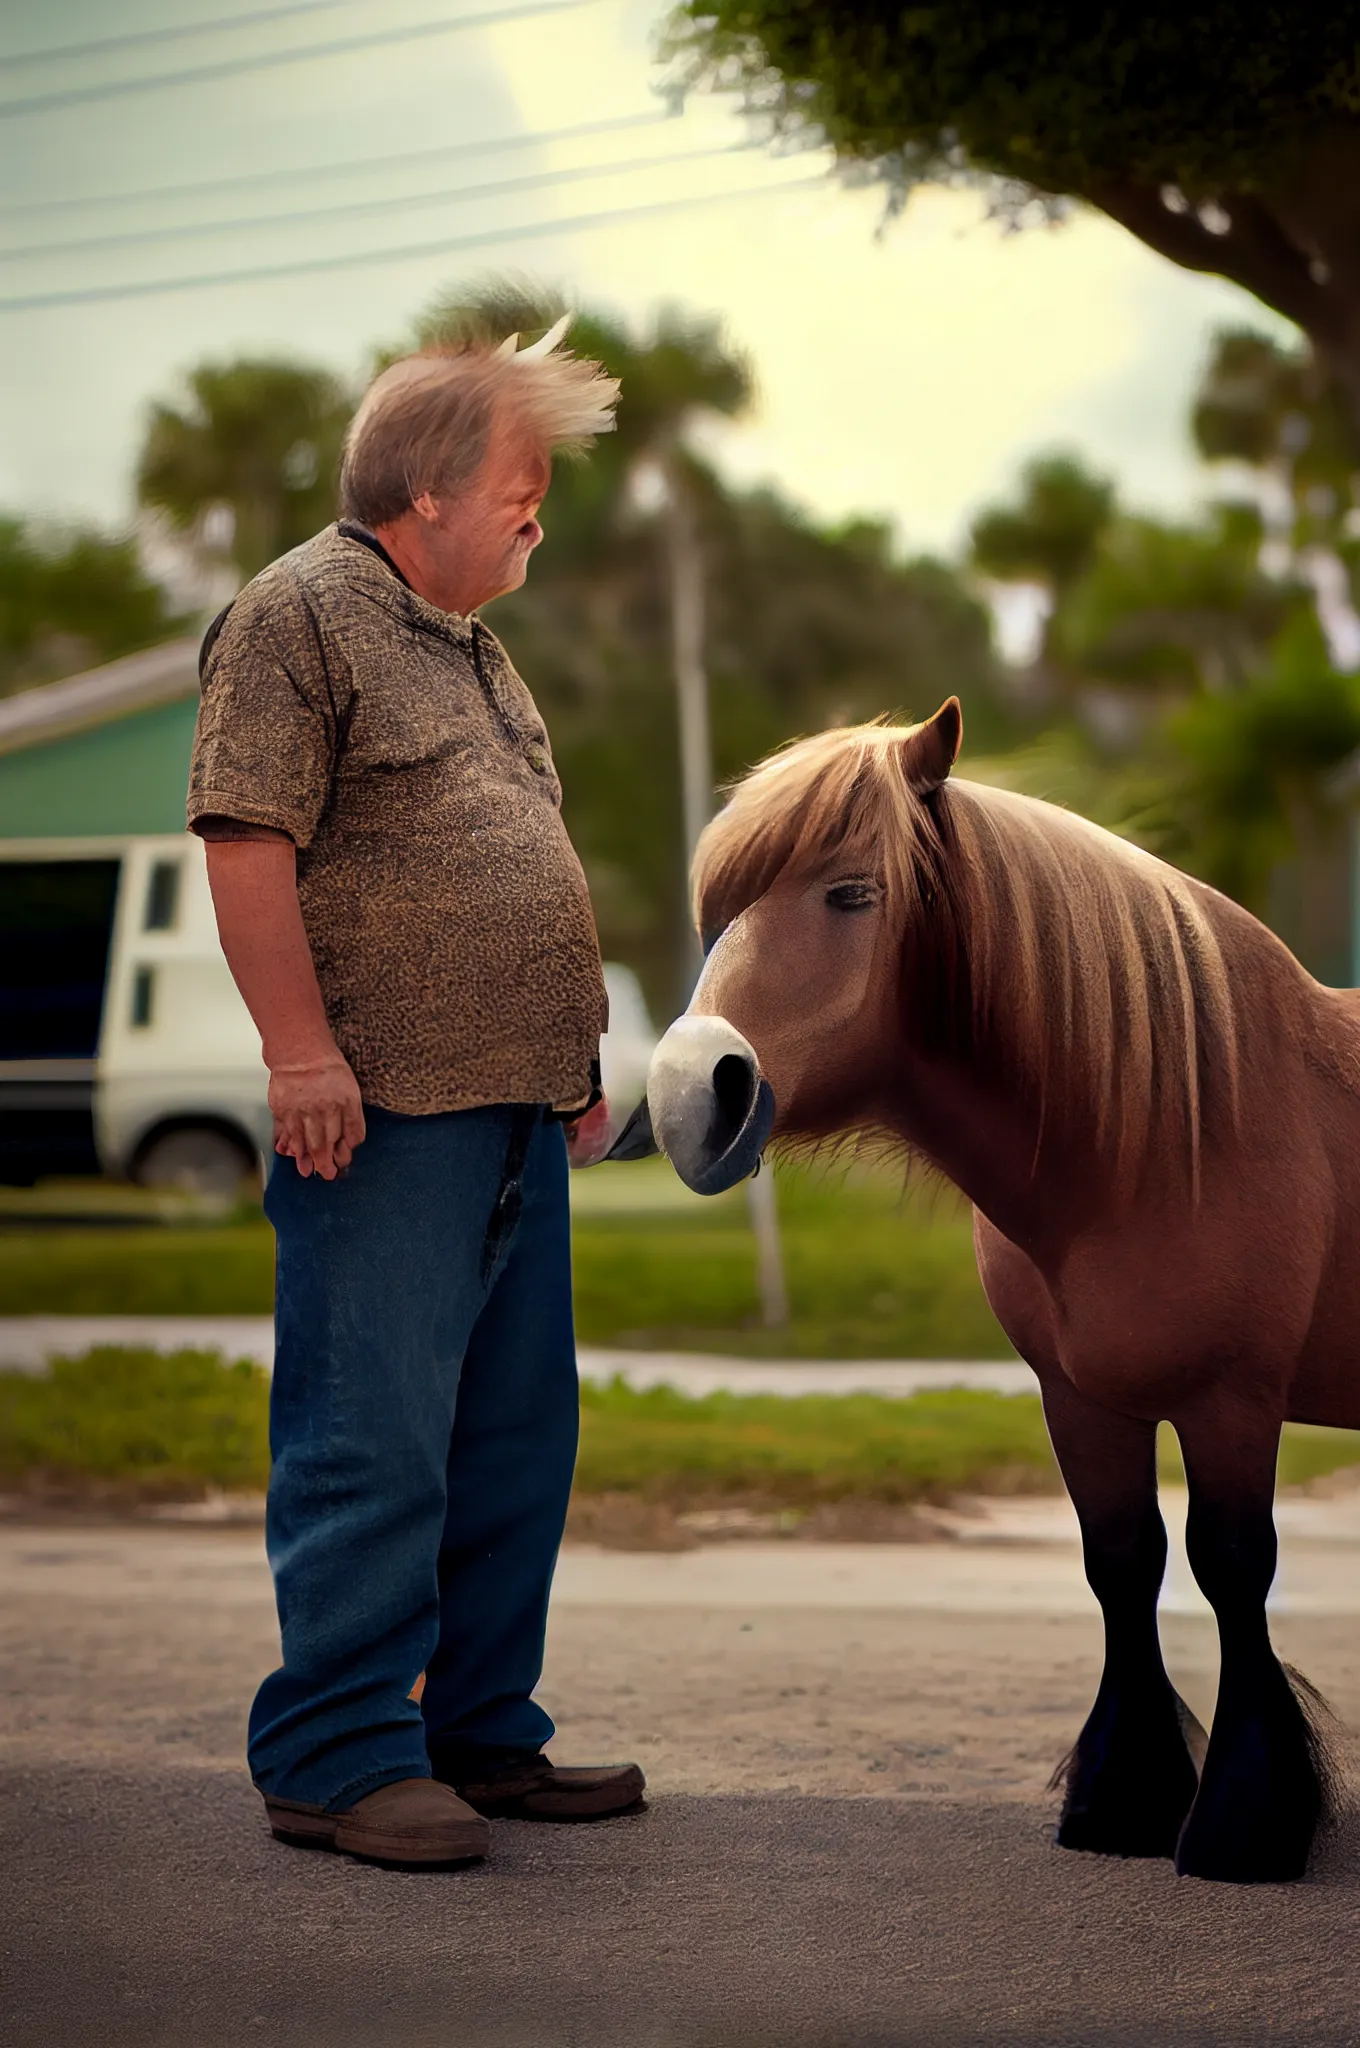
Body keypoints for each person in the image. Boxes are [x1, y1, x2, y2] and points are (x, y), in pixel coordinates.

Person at [189, 323, 644, 1869]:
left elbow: (510, 859)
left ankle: (475, 1736)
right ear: (430, 490)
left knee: (514, 1439)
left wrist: (573, 1058)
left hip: (515, 1113)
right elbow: (247, 841)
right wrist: (300, 1055)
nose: (537, 515)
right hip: (381, 1115)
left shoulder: (466, 644)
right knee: (370, 1434)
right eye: (523, 486)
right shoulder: (296, 616)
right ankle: (333, 1754)